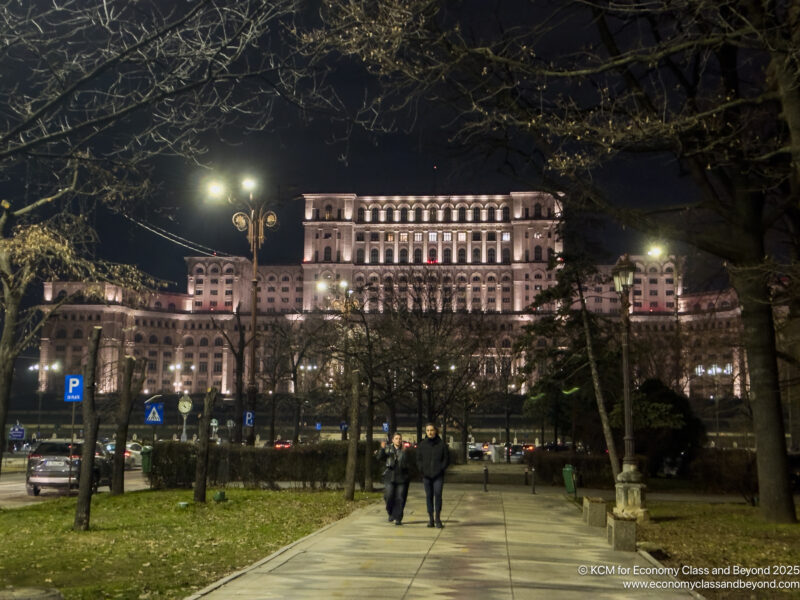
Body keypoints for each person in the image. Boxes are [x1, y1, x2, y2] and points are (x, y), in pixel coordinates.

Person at [417, 422, 449, 528]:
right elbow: (419, 459)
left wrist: (441, 468)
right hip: (426, 476)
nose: (430, 432)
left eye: (432, 430)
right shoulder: (422, 445)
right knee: (429, 496)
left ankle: (438, 518)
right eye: (428, 430)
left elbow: (446, 459)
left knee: (438, 495)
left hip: (438, 475)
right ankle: (430, 519)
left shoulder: (441, 445)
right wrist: (421, 469)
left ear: (435, 431)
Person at [375, 432, 410, 525]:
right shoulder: (388, 449)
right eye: (396, 438)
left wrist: (405, 452)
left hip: (402, 477)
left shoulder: (404, 449)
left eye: (400, 438)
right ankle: (390, 512)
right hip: (390, 476)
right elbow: (379, 458)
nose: (398, 440)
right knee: (389, 496)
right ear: (393, 440)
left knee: (400, 497)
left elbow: (409, 464)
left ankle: (398, 517)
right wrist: (382, 449)